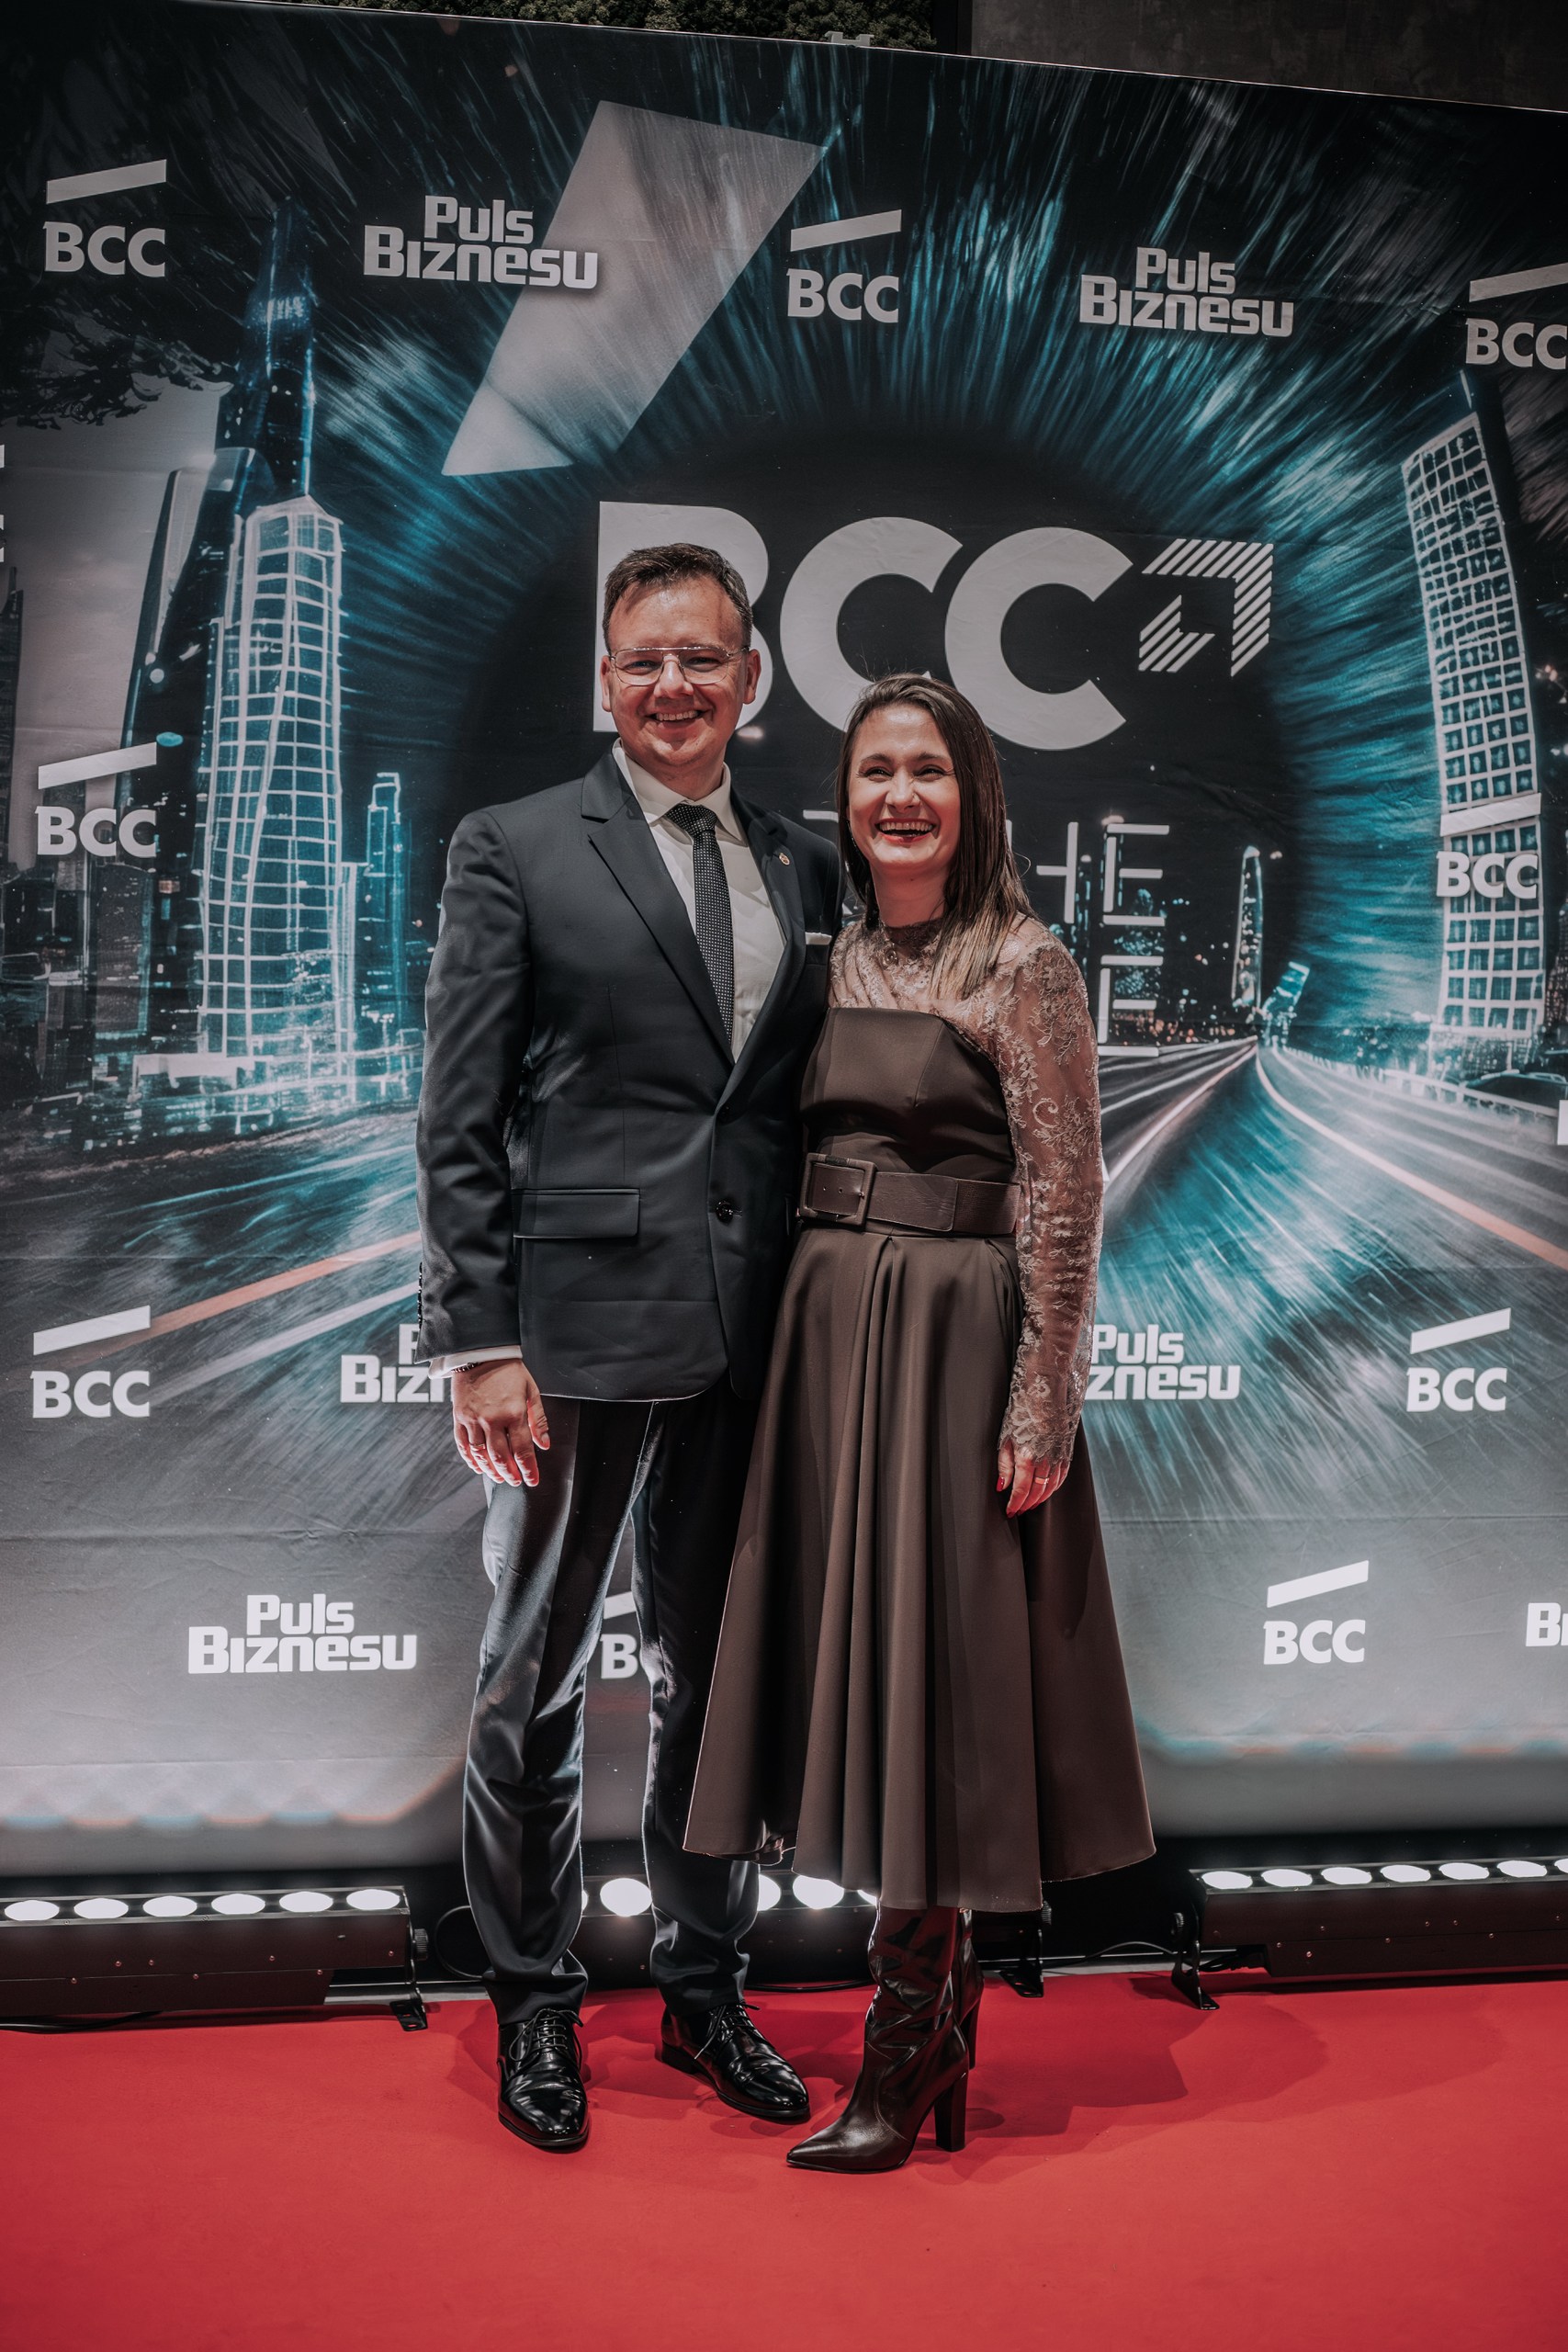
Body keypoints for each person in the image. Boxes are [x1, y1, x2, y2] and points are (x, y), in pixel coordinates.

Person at [685, 673, 1153, 2173]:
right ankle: (926, 2023)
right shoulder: (825, 962)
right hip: (827, 1339)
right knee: (855, 1670)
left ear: (974, 797)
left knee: (934, 1681)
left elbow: (1065, 1196)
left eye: (929, 771)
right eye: (876, 770)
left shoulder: (1025, 961)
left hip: (955, 1342)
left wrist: (1043, 1398)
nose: (900, 795)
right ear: (847, 798)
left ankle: (910, 2034)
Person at [415, 542, 840, 2153]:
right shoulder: (516, 845)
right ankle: (534, 1999)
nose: (675, 685)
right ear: (607, 680)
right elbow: (458, 1115)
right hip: (571, 1333)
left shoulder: (802, 865)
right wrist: (479, 1338)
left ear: (750, 679)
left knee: (713, 1686)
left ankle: (704, 1986)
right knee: (533, 1678)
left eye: (703, 658)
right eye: (646, 659)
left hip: (751, 1335)